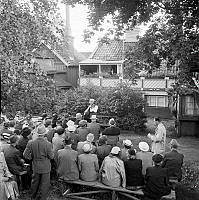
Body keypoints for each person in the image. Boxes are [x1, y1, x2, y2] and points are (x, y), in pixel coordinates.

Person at [23, 124, 54, 200]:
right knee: (44, 184)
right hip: (45, 166)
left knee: (35, 182)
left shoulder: (31, 142)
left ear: (37, 134)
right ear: (44, 134)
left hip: (35, 165)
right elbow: (52, 156)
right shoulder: (48, 144)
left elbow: (25, 154)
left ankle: (33, 196)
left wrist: (32, 158)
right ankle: (43, 197)